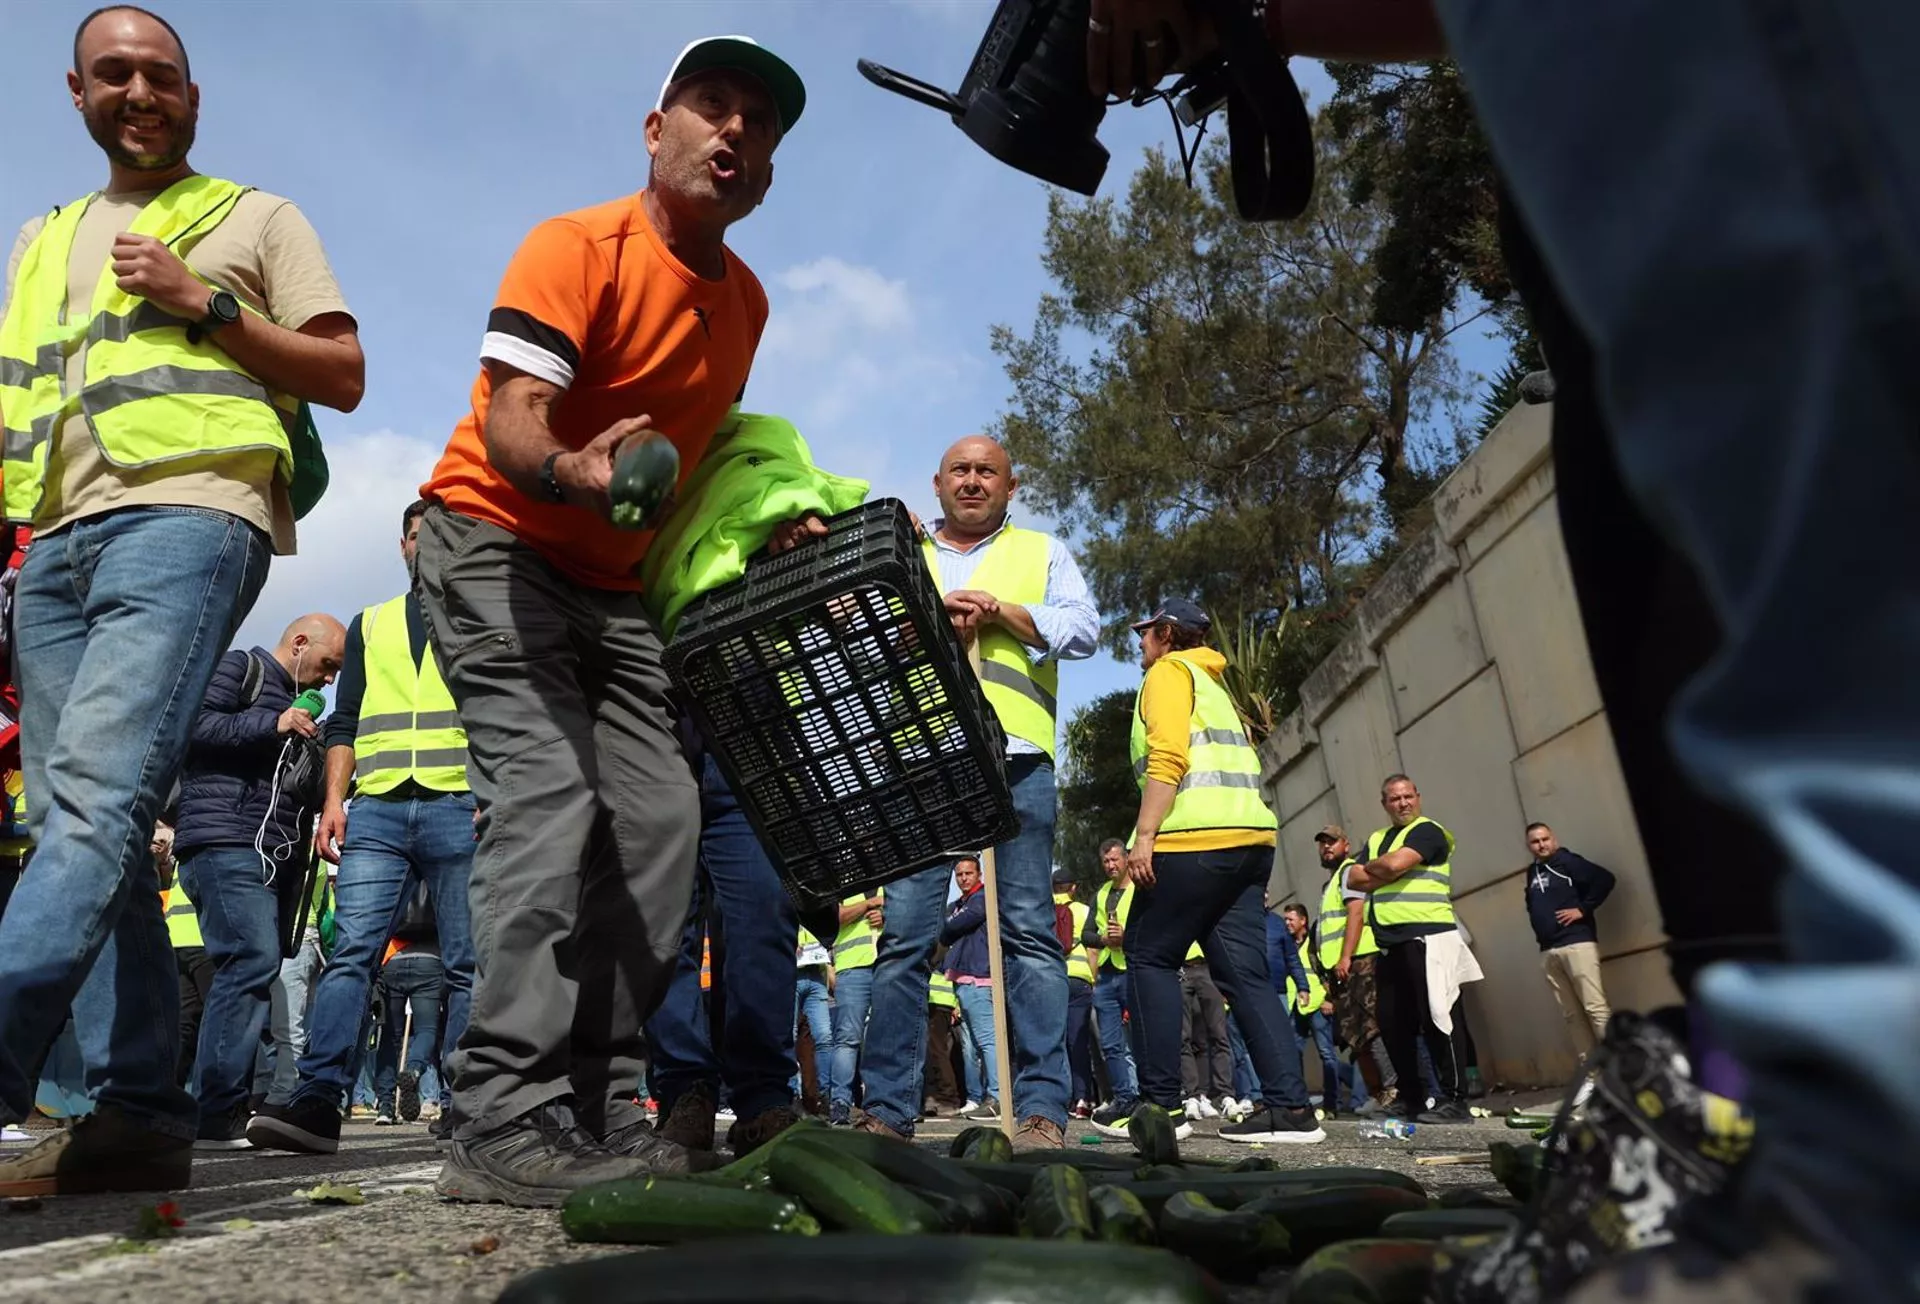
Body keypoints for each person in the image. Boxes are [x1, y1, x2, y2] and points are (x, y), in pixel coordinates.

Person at [409, 33, 809, 1203]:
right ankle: (498, 1111)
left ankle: (595, 1100)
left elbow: (712, 457)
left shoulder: (746, 305)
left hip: (618, 585)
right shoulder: (575, 245)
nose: (734, 131)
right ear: (656, 129)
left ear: (770, 170)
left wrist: (771, 521)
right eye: (712, 105)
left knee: (661, 819)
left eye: (760, 124)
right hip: (495, 536)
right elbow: (514, 419)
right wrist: (577, 470)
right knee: (547, 794)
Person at [0, 5, 363, 1199]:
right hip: (53, 545)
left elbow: (343, 371)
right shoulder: (42, 237)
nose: (139, 91)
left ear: (193, 98)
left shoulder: (254, 217)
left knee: (96, 806)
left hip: (191, 517)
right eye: (115, 75)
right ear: (77, 93)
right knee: (75, 819)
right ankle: (141, 1111)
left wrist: (205, 303)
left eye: (162, 75)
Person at [853, 436, 1099, 1150]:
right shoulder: (906, 553)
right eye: (959, 470)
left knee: (1027, 933)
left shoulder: (1042, 552)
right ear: (937, 483)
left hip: (1016, 761)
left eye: (985, 471)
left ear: (1010, 485)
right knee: (904, 937)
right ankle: (888, 1111)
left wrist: (1001, 612)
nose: (971, 480)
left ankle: (1043, 1109)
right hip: (922, 759)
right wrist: (920, 622)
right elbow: (863, 638)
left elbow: (1082, 630)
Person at [248, 501, 478, 1156]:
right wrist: (334, 802)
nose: (423, 545)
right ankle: (318, 1099)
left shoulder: (480, 617)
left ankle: (465, 1106)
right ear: (401, 546)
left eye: (437, 534)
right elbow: (344, 724)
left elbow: (499, 713)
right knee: (351, 955)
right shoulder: (370, 625)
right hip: (374, 809)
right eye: (414, 535)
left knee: (467, 963)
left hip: (457, 805)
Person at [1108, 598, 1323, 1145]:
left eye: (1145, 634)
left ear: (1165, 634)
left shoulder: (1167, 674)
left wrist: (1146, 837)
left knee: (1150, 956)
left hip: (1192, 840)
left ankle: (1162, 1108)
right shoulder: (1215, 689)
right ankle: (1291, 1110)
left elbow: (1168, 758)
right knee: (1247, 977)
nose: (1140, 644)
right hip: (1250, 843)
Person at [172, 613, 345, 1147]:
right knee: (250, 960)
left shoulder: (303, 706)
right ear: (299, 644)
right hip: (223, 841)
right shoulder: (239, 668)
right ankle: (215, 1111)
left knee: (251, 966)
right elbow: (191, 726)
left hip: (271, 854)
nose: (328, 679)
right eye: (326, 665)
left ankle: (220, 1108)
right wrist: (271, 724)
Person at [1347, 775, 1473, 1124]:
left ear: (1418, 797)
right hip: (1389, 944)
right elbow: (1352, 879)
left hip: (1428, 937)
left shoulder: (1429, 831)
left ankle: (1455, 1100)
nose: (1402, 803)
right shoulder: (1376, 839)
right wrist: (1383, 869)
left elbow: (1389, 867)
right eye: (1394, 799)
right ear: (1384, 804)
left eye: (1407, 796)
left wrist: (1382, 869)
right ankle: (1412, 1098)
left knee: (1439, 1018)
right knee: (1392, 1024)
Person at [1310, 824, 1394, 1114]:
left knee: (1371, 1028)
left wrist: (1346, 957)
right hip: (1341, 969)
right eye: (1322, 843)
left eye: (1332, 842)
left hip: (1359, 961)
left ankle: (1393, 1089)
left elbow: (1355, 913)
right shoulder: (1331, 883)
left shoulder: (1349, 872)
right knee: (1355, 1034)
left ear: (1346, 845)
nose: (1326, 847)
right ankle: (1379, 1094)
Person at [1524, 822, 1615, 1058]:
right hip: (1548, 951)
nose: (1541, 845)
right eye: (1535, 841)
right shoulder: (1532, 872)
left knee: (1595, 1008)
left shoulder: (1568, 862)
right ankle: (1592, 1074)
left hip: (1577, 944)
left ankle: (1618, 1066)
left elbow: (1605, 880)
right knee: (1571, 1015)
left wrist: (1582, 909)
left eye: (1545, 839)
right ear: (1528, 845)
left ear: (1554, 839)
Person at [1277, 901, 1368, 1117]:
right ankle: (1300, 1103)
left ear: (1303, 920)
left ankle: (1331, 1105)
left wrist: (1330, 1000)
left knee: (1327, 1054)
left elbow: (1327, 971)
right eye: (1285, 919)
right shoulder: (1285, 943)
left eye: (1291, 919)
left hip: (1318, 1004)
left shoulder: (1315, 943)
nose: (1287, 923)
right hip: (1296, 1005)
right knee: (1294, 1054)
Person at [370, 882, 445, 1125]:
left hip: (393, 958)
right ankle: (413, 1070)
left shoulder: (398, 875)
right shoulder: (437, 875)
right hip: (432, 959)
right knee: (426, 1030)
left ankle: (385, 1105)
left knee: (390, 1034)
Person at [1084, 838, 1138, 1123]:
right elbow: (1086, 934)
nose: (1110, 866)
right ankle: (1124, 1099)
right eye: (1106, 861)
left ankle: (1152, 1095)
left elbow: (1153, 928)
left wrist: (1125, 937)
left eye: (1115, 860)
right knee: (1111, 1044)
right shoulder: (1101, 893)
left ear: (1127, 859)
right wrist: (1105, 939)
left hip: (1132, 971)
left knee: (1141, 1038)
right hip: (1106, 976)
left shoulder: (1139, 889)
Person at [938, 857, 999, 1112]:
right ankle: (977, 1097)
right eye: (959, 874)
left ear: (979, 874)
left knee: (986, 1039)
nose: (963, 878)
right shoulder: (961, 903)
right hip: (963, 977)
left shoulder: (981, 898)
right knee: (971, 1044)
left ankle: (996, 1097)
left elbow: (953, 927)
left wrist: (946, 926)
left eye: (968, 873)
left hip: (978, 976)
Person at [826, 888, 881, 1125]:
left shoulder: (890, 886)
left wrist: (886, 914)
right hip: (852, 969)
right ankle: (840, 1102)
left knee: (882, 1040)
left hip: (886, 966)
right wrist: (870, 904)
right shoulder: (844, 884)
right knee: (847, 1038)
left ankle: (881, 1104)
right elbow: (834, 918)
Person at [1053, 870, 1098, 1117]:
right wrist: (1093, 979)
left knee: (1056, 1041)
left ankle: (1060, 1096)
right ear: (1072, 888)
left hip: (1053, 980)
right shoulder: (1082, 910)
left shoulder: (1044, 911)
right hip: (1079, 978)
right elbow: (1092, 949)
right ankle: (1083, 1099)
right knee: (1078, 1041)